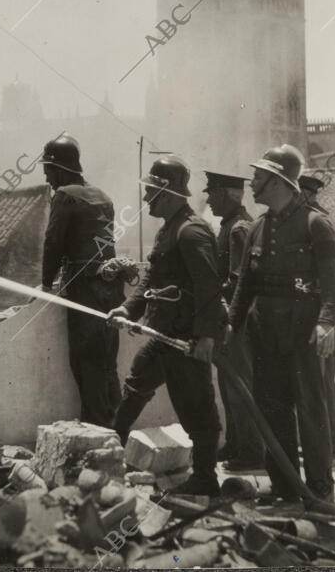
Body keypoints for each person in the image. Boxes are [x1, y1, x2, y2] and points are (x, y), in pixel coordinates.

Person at [108, 156, 225, 496]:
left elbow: (209, 288)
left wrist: (205, 337)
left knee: (197, 410)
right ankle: (109, 458)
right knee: (134, 388)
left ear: (168, 192)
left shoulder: (191, 231)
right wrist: (129, 309)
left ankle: (206, 479)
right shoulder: (169, 230)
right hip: (163, 336)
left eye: (150, 193)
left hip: (186, 340)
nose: (145, 200)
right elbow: (151, 280)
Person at [229, 146, 335, 501]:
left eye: (258, 177)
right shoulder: (259, 226)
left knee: (310, 409)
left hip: (302, 332)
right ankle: (286, 487)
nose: (252, 183)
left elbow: (331, 282)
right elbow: (246, 282)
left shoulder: (315, 224)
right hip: (265, 334)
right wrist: (232, 323)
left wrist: (325, 323)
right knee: (271, 408)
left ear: (277, 181)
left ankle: (320, 490)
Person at [40, 135, 126, 428]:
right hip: (110, 286)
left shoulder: (64, 194)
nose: (47, 178)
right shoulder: (103, 195)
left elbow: (53, 242)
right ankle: (117, 424)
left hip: (84, 285)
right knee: (106, 359)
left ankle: (97, 428)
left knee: (85, 358)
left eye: (48, 171)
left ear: (60, 169)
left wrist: (46, 282)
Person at [203, 170, 264, 472]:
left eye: (212, 193)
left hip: (238, 321)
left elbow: (241, 280)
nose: (208, 199)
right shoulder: (230, 225)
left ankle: (252, 452)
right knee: (229, 385)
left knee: (240, 385)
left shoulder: (239, 228)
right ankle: (237, 445)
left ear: (228, 195)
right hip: (231, 318)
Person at [299, 173, 335, 458]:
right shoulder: (327, 219)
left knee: (321, 377)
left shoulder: (316, 224)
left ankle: (331, 445)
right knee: (324, 376)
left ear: (305, 193)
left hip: (327, 304)